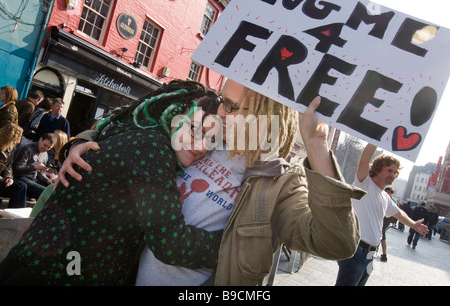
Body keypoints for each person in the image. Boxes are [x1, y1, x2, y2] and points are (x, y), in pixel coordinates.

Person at [58, 78, 366, 286]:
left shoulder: (281, 182)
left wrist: (316, 146)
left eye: (233, 106)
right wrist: (84, 141)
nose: (222, 110)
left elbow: (336, 242)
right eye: (223, 100)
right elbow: (137, 121)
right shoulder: (200, 131)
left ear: (265, 111)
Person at [0, 80, 226, 286]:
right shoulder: (152, 149)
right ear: (170, 113)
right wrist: (231, 246)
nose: (203, 146)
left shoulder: (136, 135)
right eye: (195, 129)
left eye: (212, 138)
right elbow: (170, 243)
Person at [335, 144, 428, 286]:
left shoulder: (385, 197)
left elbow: (399, 213)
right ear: (378, 170)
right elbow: (364, 161)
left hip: (369, 255)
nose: (393, 175)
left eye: (395, 172)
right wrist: (376, 138)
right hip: (356, 251)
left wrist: (413, 224)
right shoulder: (364, 184)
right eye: (389, 170)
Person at [11, 132, 57, 200]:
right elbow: (17, 169)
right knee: (44, 191)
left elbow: (41, 173)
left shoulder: (45, 154)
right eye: (45, 145)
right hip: (22, 177)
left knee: (52, 189)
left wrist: (47, 180)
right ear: (40, 139)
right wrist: (34, 167)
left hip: (34, 179)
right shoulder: (27, 149)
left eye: (49, 148)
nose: (46, 149)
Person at [0, 123, 27, 208]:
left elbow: (8, 165)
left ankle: (16, 212)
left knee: (21, 186)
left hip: (2, 178)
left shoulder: (10, 148)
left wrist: (9, 177)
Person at [379, 187, 396, 262]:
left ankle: (384, 254)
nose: (387, 193)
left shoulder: (392, 201)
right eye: (386, 192)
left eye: (389, 192)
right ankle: (383, 253)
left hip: (386, 219)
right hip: (382, 218)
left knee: (381, 234)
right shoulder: (383, 198)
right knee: (381, 234)